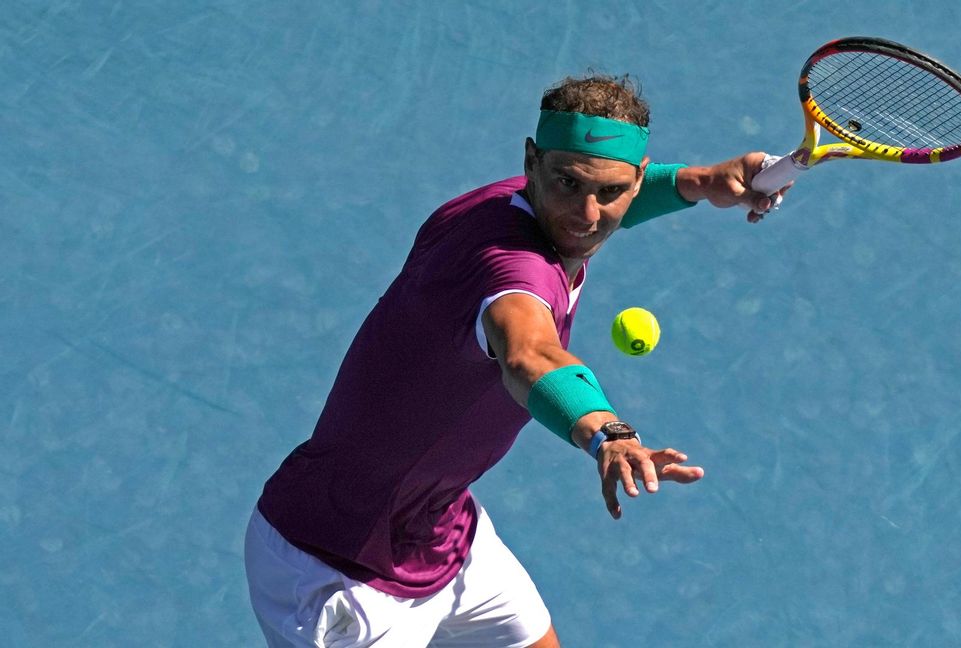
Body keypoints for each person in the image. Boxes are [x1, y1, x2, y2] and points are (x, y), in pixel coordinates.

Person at [244, 73, 788, 647]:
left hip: (442, 534)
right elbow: (529, 353)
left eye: (610, 192)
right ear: (532, 163)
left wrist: (701, 182)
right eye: (567, 183)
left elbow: (609, 190)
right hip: (337, 570)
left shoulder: (520, 200)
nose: (586, 213)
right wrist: (608, 432)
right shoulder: (512, 270)